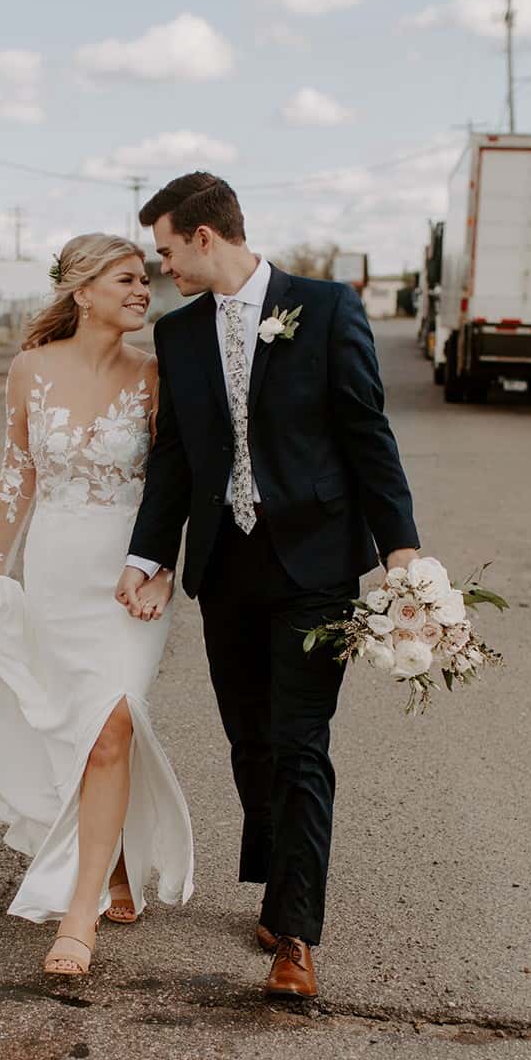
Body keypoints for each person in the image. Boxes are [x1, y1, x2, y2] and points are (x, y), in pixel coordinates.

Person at [117, 175, 419, 1001]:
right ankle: (276, 870)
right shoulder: (178, 337)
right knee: (248, 743)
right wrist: (150, 556)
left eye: (168, 247)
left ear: (206, 237)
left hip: (316, 564)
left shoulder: (323, 308)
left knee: (298, 746)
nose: (162, 265)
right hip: (226, 568)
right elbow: (175, 457)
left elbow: (366, 431)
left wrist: (400, 550)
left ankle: (295, 932)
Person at [0, 234, 194, 976]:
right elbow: (16, 474)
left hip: (126, 579)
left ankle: (74, 917)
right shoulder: (29, 370)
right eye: (125, 279)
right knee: (71, 734)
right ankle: (107, 860)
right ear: (82, 292)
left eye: (145, 279)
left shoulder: (155, 377)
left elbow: (171, 483)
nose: (143, 290)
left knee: (111, 725)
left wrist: (160, 567)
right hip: (53, 569)